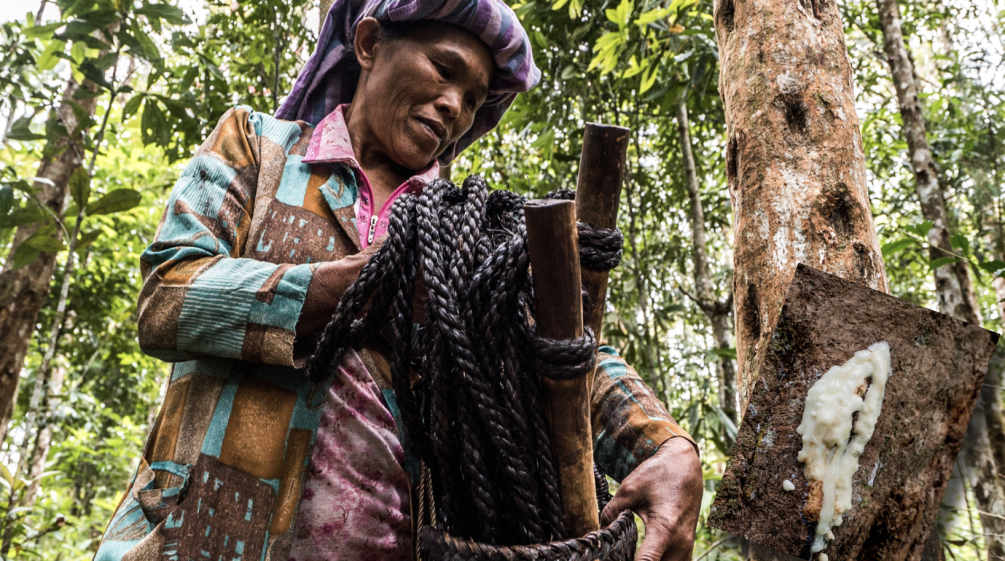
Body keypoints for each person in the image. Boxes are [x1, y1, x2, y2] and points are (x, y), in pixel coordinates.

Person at [95, 1, 703, 559]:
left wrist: (668, 449)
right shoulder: (258, 147)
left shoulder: (474, 230)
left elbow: (564, 346)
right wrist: (366, 283)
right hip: (195, 537)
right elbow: (167, 296)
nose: (455, 107)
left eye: (473, 99)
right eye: (444, 69)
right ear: (368, 43)